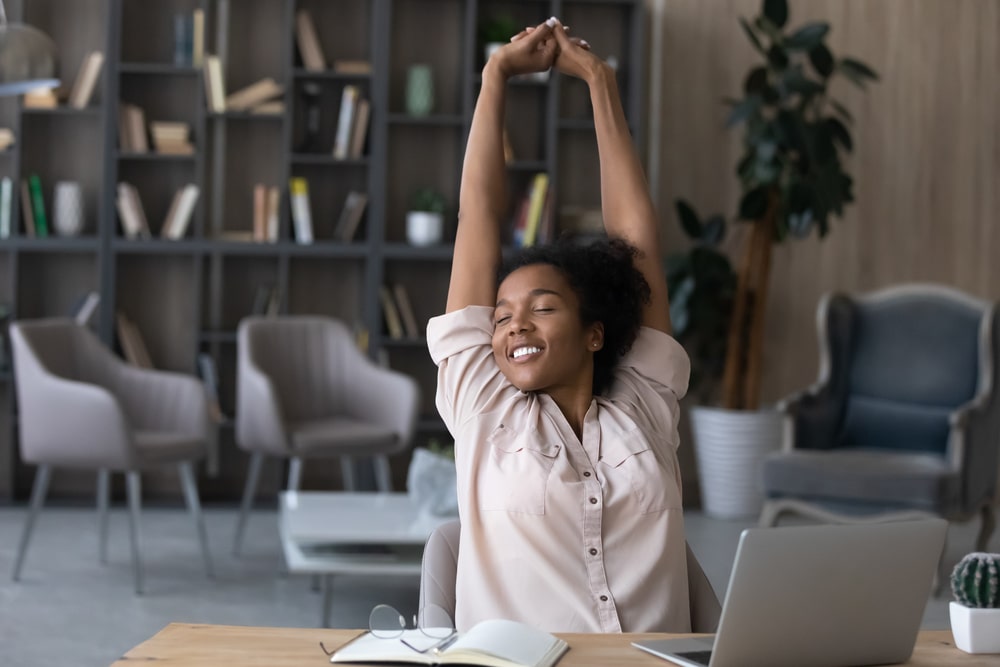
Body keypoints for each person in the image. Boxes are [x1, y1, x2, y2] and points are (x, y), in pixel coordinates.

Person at [426, 17, 691, 633]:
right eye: (502, 317)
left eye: (542, 308)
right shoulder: (480, 400)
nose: (515, 326)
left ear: (595, 332)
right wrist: (496, 76)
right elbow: (478, 218)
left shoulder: (644, 402)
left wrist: (599, 82)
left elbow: (636, 243)